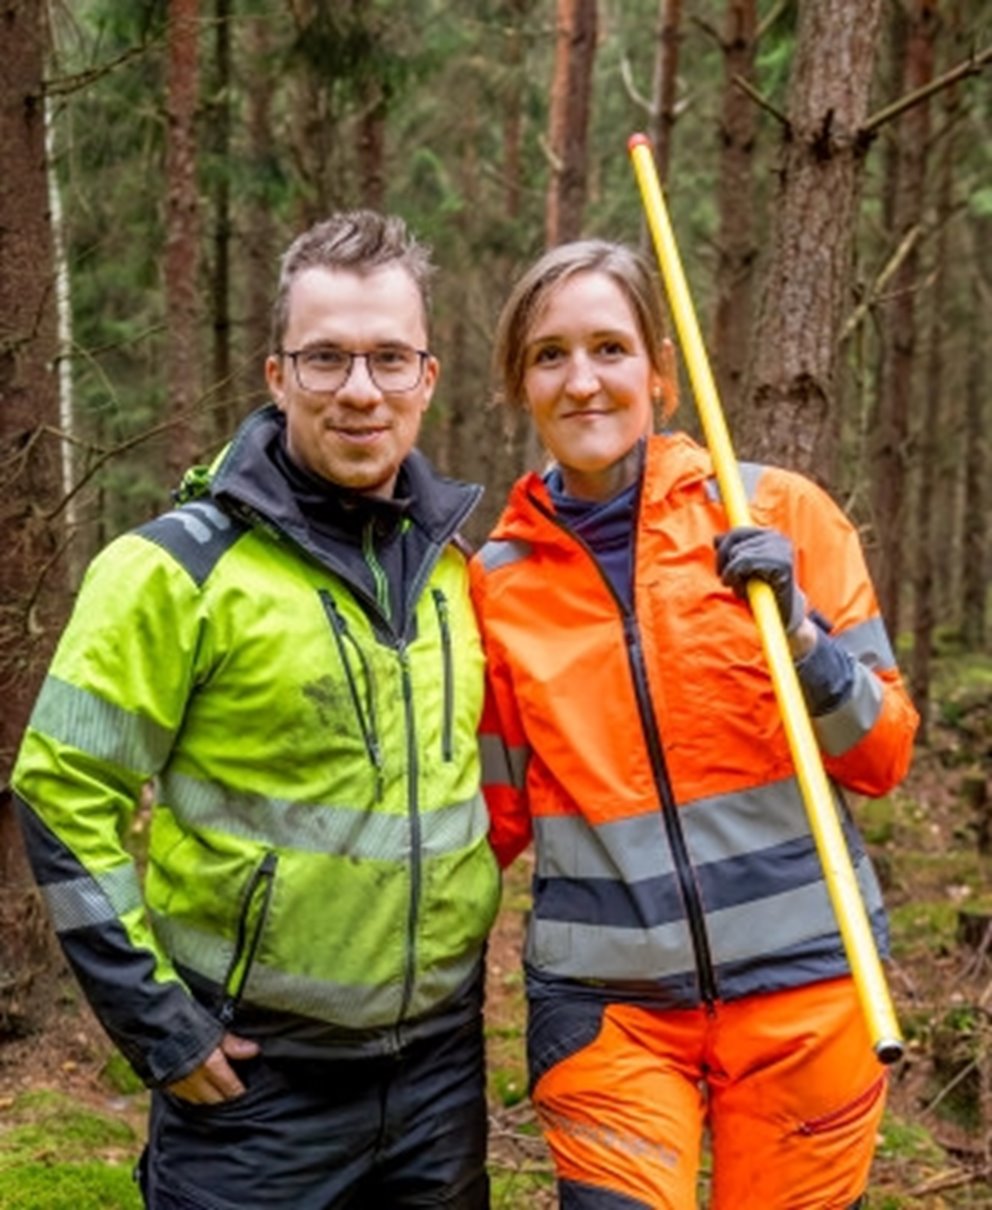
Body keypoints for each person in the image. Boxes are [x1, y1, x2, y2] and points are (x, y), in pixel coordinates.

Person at [12, 210, 500, 1209]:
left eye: (387, 359)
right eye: (325, 359)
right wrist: (158, 1026)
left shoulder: (457, 571)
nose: (359, 390)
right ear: (277, 378)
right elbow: (60, 790)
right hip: (250, 1086)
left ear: (426, 378)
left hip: (438, 1076)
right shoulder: (171, 569)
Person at [471, 238, 919, 1210]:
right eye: (549, 355)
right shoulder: (495, 586)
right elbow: (486, 825)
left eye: (608, 348)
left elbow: (881, 754)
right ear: (518, 383)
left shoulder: (778, 513)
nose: (581, 380)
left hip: (808, 1000)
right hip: (608, 1016)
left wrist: (800, 634)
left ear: (660, 373)